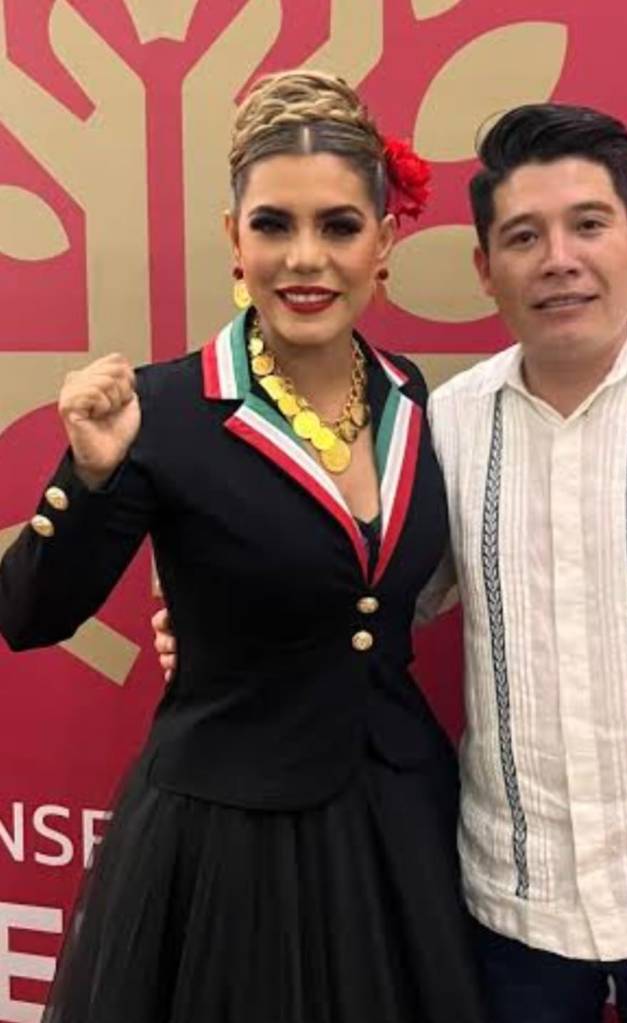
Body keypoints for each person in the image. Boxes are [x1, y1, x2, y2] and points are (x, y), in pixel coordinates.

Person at [153, 102, 627, 1021]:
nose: (559, 258)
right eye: (524, 236)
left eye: (588, 225)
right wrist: (236, 631)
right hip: (515, 909)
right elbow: (389, 593)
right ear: (486, 269)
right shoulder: (448, 420)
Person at [0, 70, 485, 1023]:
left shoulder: (410, 395)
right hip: (228, 844)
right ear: (235, 238)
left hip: (398, 821)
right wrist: (90, 477)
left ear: (384, 242)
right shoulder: (162, 409)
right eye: (273, 225)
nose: (306, 258)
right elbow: (28, 615)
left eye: (338, 226)